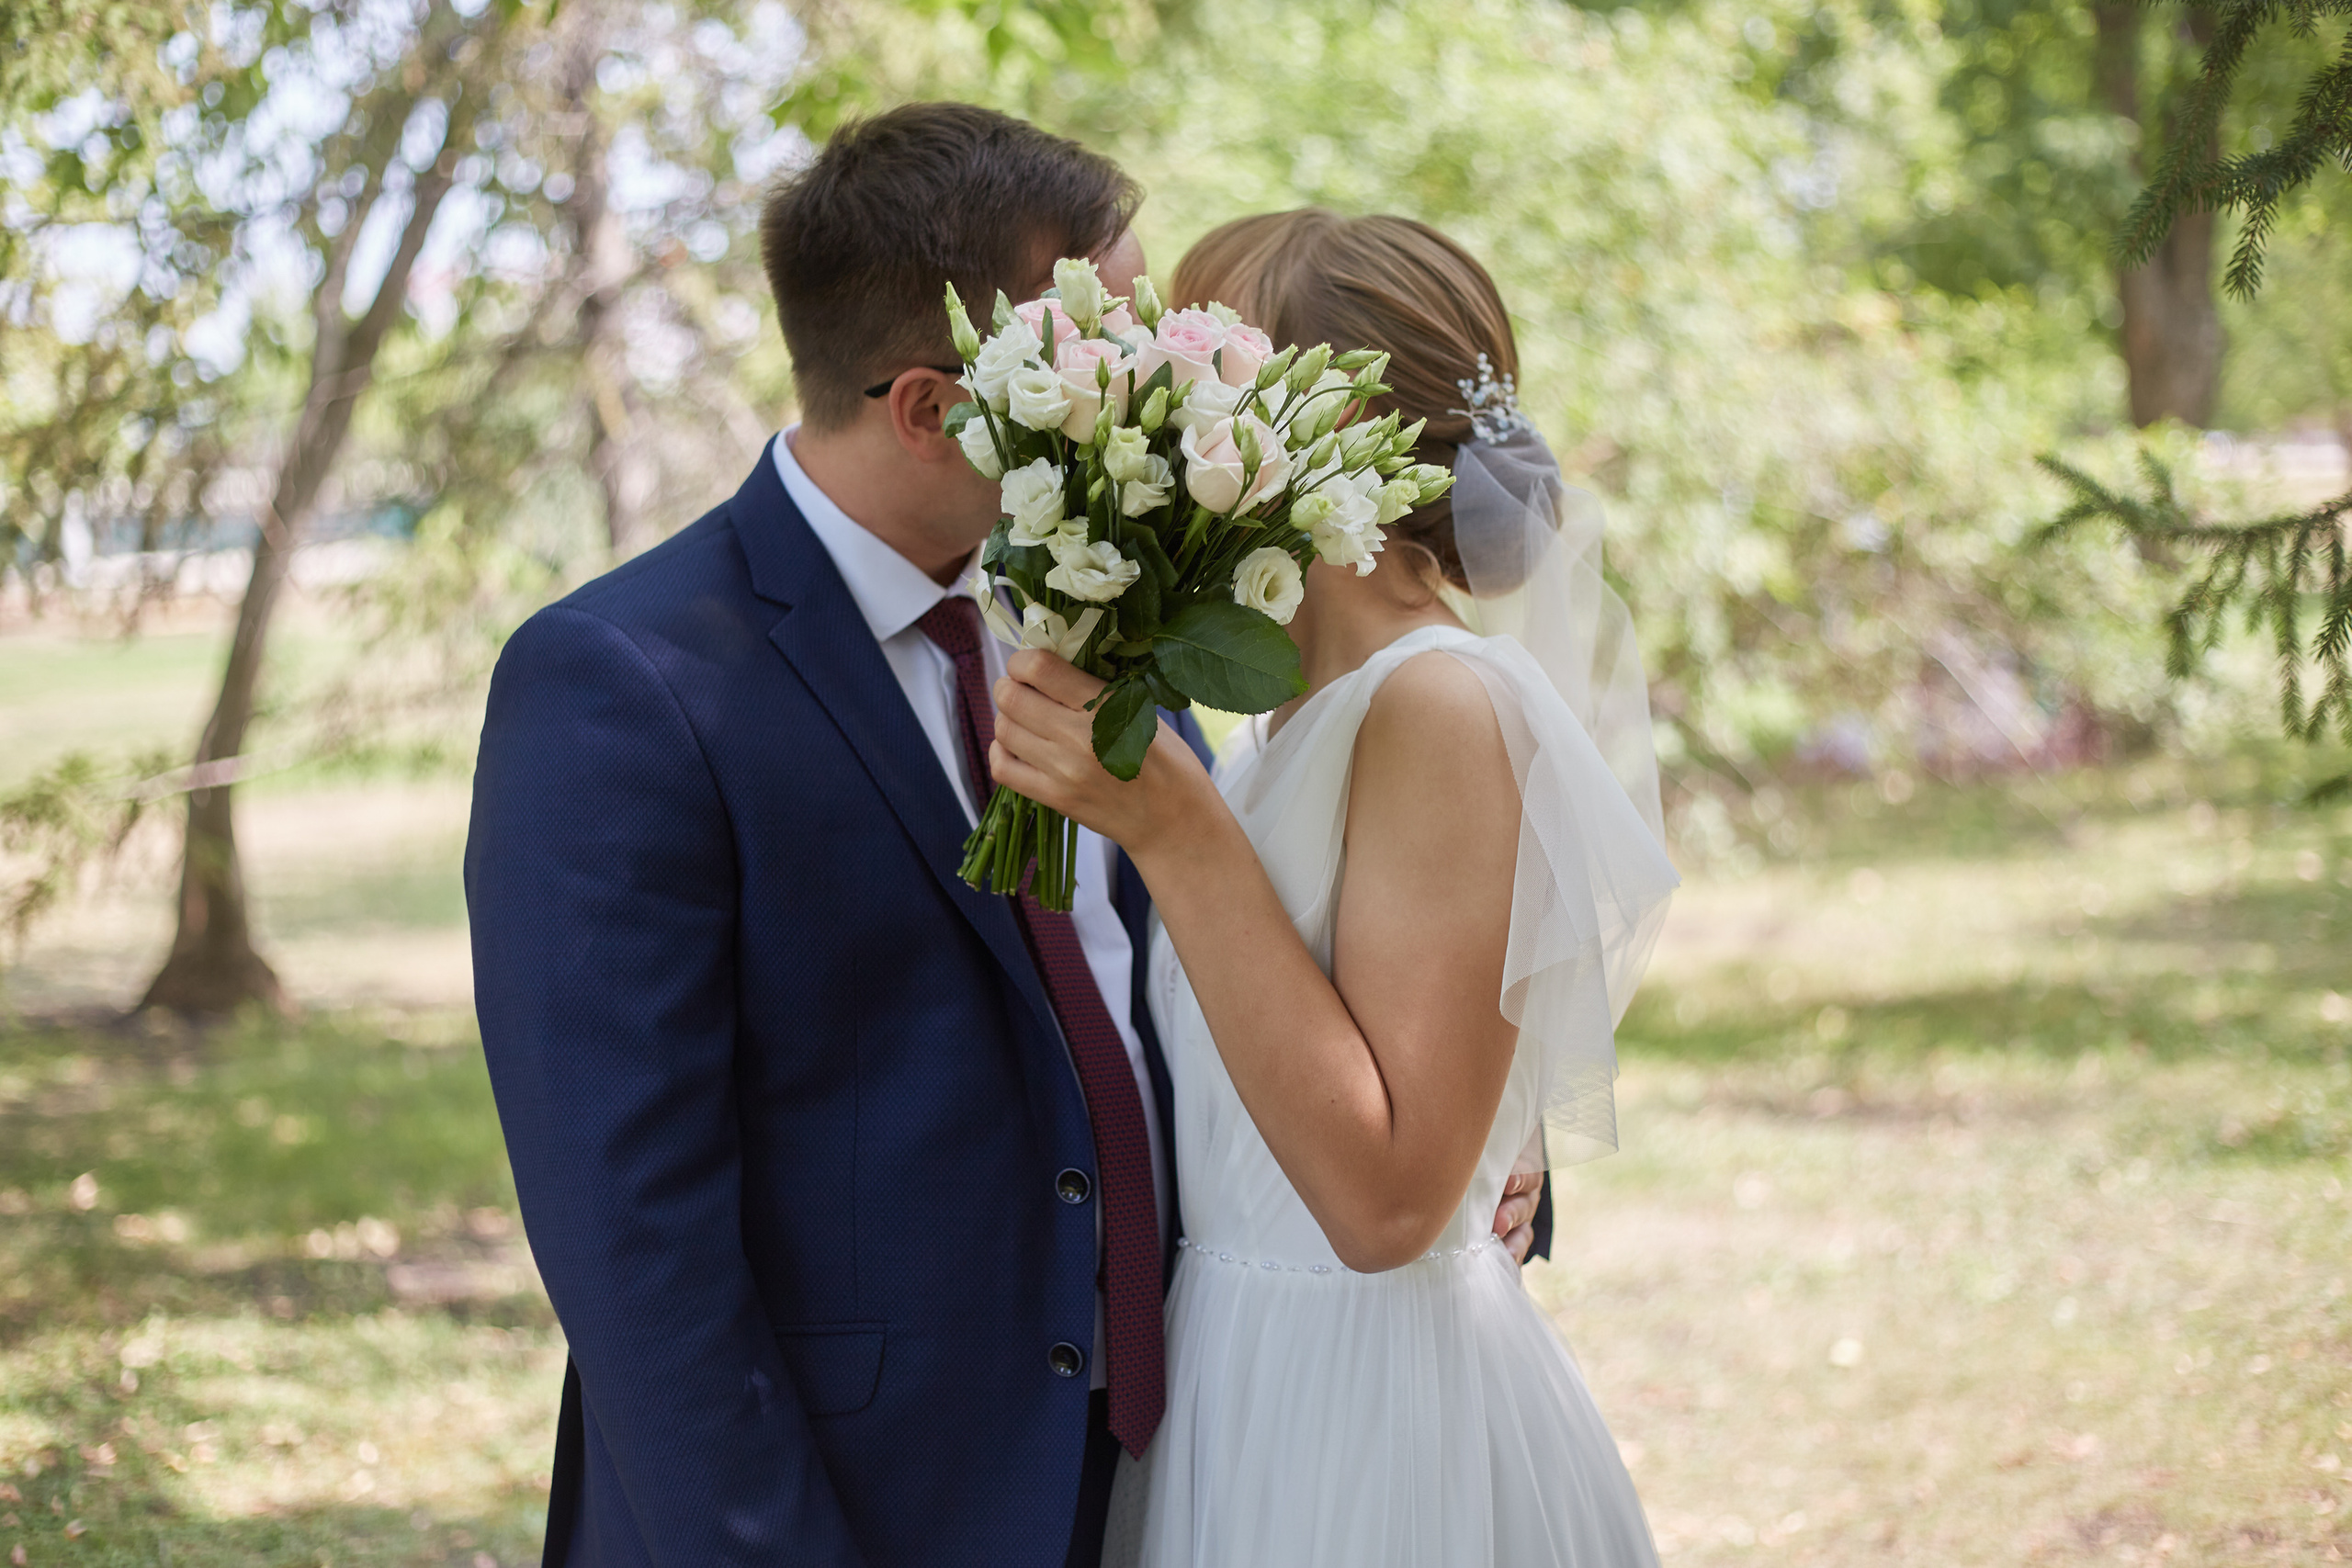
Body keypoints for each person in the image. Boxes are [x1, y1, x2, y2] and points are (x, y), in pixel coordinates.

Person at [465, 111, 1545, 1568]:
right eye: (1116, 357)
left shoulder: (1119, 605)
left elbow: (1272, 985)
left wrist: (1483, 1139)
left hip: (1175, 1475)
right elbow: (633, 1245)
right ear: (930, 409)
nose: (1173, 392)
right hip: (853, 1509)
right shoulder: (628, 682)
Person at [987, 209, 1681, 1567]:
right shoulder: (1286, 723)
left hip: (1365, 1423)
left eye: (1198, 391)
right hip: (1241, 1376)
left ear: (1308, 442)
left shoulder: (1437, 705)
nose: (1166, 429)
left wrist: (1177, 838)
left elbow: (1386, 1208)